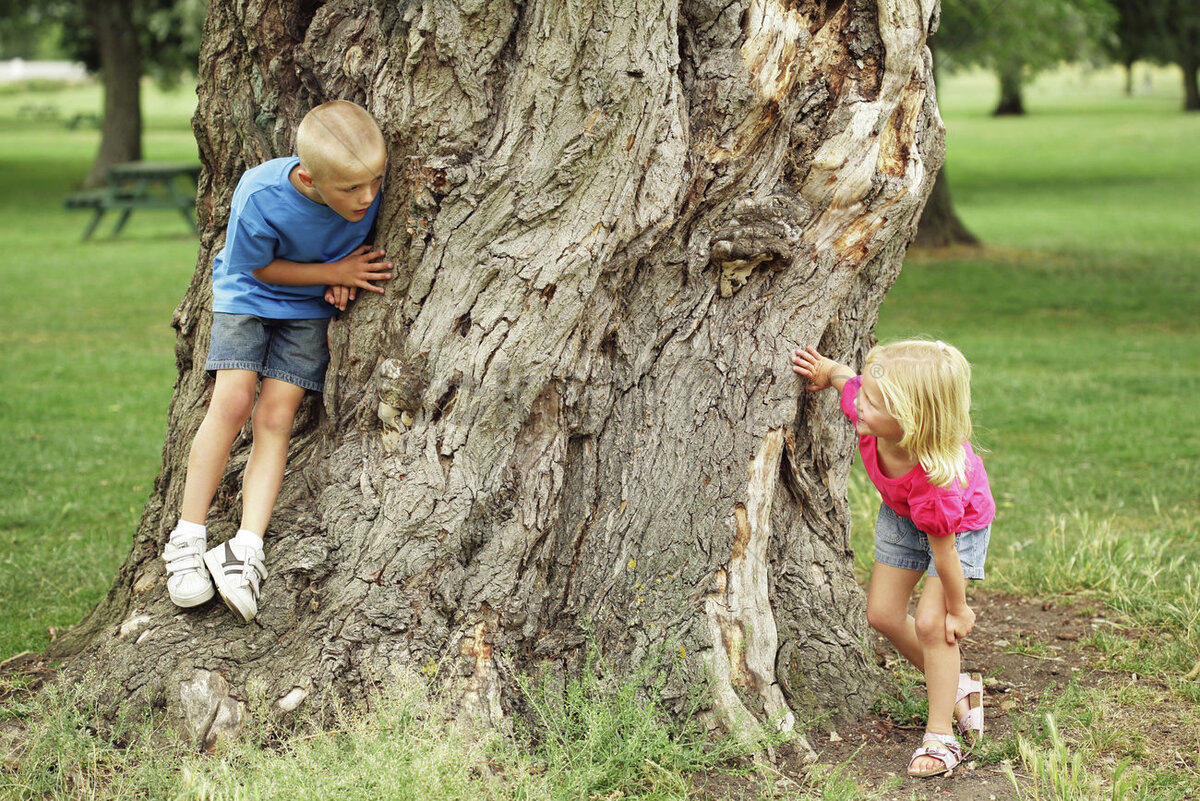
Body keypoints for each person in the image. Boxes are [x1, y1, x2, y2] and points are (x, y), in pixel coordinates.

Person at [160, 100, 393, 623]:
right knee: (233, 401)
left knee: (276, 416)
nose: (367, 198)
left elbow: (355, 246)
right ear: (309, 178)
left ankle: (245, 548)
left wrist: (342, 276)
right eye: (351, 189)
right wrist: (334, 272)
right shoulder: (259, 195)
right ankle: (187, 537)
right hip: (248, 296)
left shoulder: (364, 185)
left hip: (307, 311)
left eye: (375, 182)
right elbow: (258, 269)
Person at [792, 339, 994, 778]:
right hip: (902, 516)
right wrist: (828, 371)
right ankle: (958, 685)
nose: (858, 403)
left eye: (871, 401)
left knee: (933, 625)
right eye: (863, 394)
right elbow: (848, 381)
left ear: (910, 420)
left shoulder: (937, 484)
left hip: (955, 529)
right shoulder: (867, 410)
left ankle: (941, 735)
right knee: (882, 614)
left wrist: (959, 609)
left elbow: (945, 555)